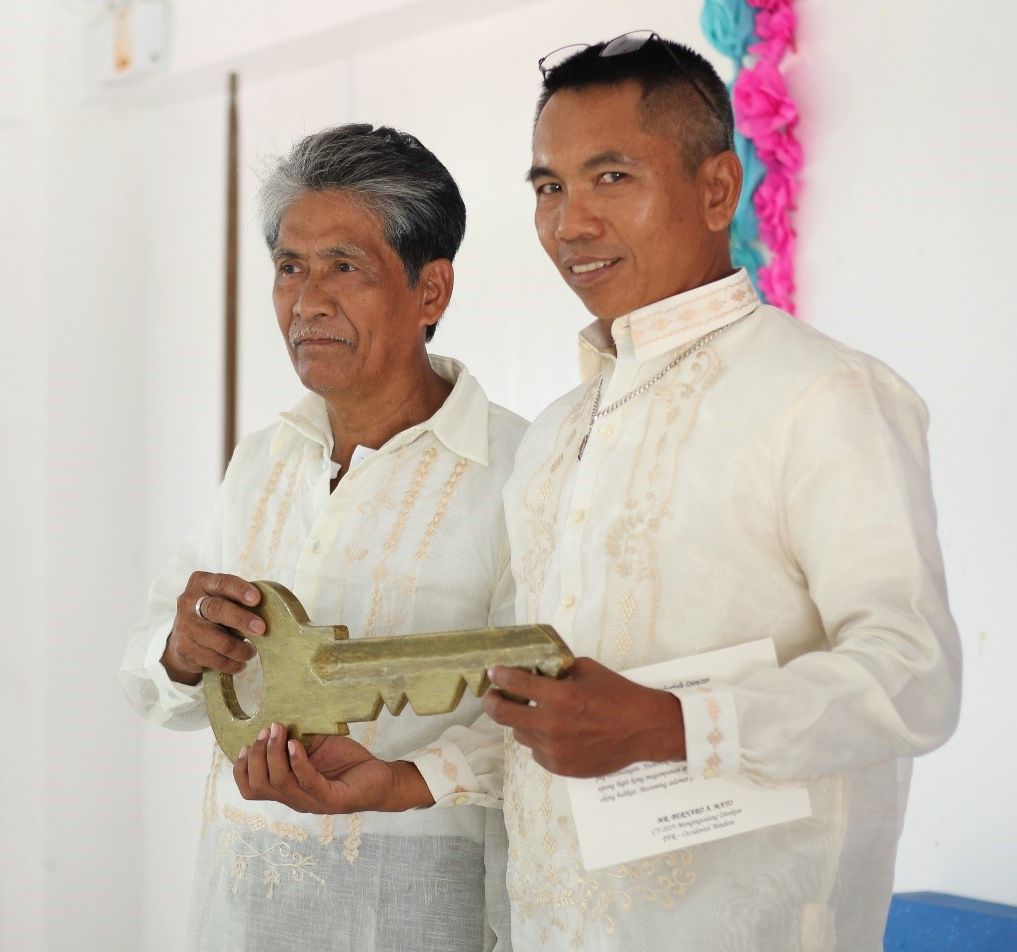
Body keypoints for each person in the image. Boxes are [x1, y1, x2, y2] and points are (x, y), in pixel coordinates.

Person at [237, 34, 961, 952]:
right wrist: (405, 780)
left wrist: (673, 723)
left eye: (610, 177)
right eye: (548, 188)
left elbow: (913, 673)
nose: (570, 222)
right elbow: (548, 714)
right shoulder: (556, 438)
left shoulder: (819, 395)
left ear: (716, 189)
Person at [119, 123, 524, 952]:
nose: (307, 302)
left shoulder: (521, 469)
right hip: (239, 911)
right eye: (289, 268)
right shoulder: (264, 461)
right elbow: (151, 676)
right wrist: (184, 649)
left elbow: (555, 714)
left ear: (430, 291)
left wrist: (410, 781)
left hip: (425, 917)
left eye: (345, 265)